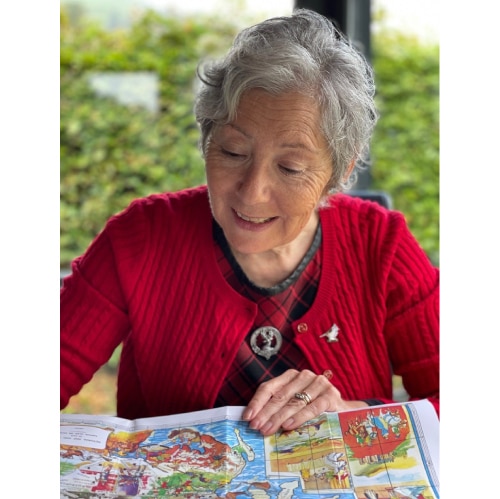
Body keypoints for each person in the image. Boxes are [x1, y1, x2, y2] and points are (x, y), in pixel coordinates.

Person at [60, 8, 439, 436]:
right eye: (233, 153)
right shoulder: (140, 238)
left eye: (291, 167)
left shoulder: (381, 245)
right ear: (207, 142)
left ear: (338, 171)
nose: (252, 191)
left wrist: (351, 412)